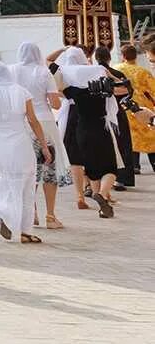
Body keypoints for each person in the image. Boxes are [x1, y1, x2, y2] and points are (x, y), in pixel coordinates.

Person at [0, 61, 50, 244]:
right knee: (27, 181)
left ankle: (3, 211)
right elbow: (33, 121)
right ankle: (24, 230)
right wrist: (44, 145)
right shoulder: (22, 91)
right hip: (20, 139)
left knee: (7, 176)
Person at [8, 41, 70, 229]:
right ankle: (50, 216)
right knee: (48, 168)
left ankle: (31, 212)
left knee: (29, 170)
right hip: (44, 122)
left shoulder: (11, 70)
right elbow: (55, 104)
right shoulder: (44, 72)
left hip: (21, 123)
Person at [56, 47, 117, 217]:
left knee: (80, 161)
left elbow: (56, 83)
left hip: (76, 122)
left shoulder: (69, 82)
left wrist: (62, 51)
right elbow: (120, 86)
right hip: (97, 124)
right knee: (107, 165)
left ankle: (80, 194)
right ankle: (102, 194)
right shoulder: (99, 80)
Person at [94, 46, 137, 190]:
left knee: (101, 147)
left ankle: (99, 180)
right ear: (109, 58)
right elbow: (129, 91)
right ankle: (122, 179)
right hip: (117, 113)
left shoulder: (91, 74)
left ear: (96, 58)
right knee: (122, 144)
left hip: (98, 114)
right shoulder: (117, 73)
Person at [115, 43, 155, 173]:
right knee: (149, 135)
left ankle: (134, 165)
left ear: (123, 56)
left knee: (129, 136)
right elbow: (153, 90)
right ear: (136, 56)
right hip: (142, 107)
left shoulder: (116, 69)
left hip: (124, 106)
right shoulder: (143, 71)